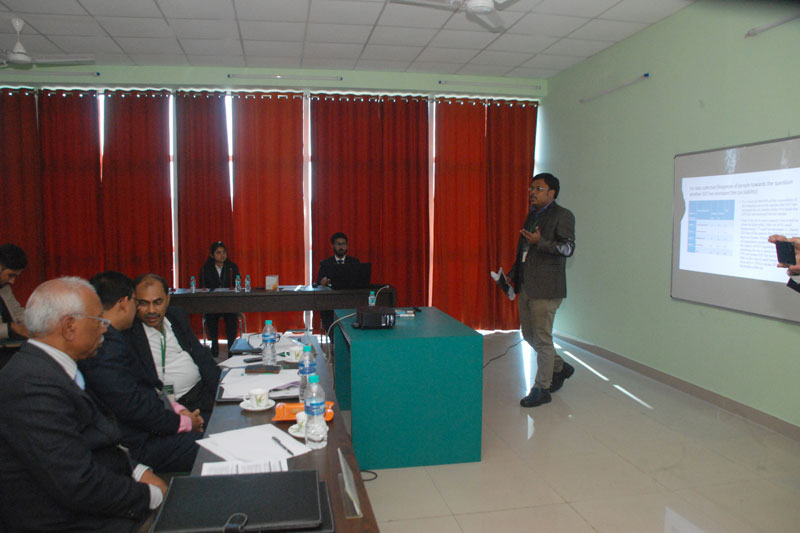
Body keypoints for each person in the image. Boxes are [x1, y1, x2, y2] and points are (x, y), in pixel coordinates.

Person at [0, 277, 166, 532]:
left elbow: (94, 440)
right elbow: (77, 484)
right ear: (69, 327)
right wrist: (151, 495)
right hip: (69, 521)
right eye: (98, 320)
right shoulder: (31, 386)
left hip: (98, 495)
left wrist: (137, 470)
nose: (104, 328)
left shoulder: (53, 367)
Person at [79, 271, 205, 473]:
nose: (142, 309)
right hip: (139, 442)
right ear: (124, 303)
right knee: (214, 446)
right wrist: (183, 422)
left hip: (157, 421)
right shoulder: (106, 346)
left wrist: (178, 411)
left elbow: (143, 389)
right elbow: (134, 405)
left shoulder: (113, 338)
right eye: (138, 302)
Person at [509, 173, 576, 408]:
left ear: (552, 193)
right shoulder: (533, 214)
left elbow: (568, 248)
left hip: (547, 288)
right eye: (531, 188)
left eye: (538, 189)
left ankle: (541, 388)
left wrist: (542, 242)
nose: (532, 192)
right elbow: (525, 250)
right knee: (529, 335)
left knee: (542, 338)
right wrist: (513, 273)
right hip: (527, 284)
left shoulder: (563, 215)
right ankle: (560, 367)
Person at [127, 273, 221, 422]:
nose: (151, 310)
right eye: (143, 303)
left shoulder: (176, 317)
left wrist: (221, 393)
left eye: (157, 302)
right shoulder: (130, 332)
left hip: (202, 394)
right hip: (169, 408)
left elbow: (202, 356)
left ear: (167, 299)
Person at [198, 241, 241, 357]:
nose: (222, 255)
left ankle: (231, 348)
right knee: (211, 316)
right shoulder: (206, 269)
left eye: (224, 252)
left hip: (229, 303)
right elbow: (202, 287)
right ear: (212, 255)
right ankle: (214, 345)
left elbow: (238, 283)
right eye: (218, 252)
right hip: (213, 303)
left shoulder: (232, 267)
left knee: (231, 317)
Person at [316, 232, 360, 333]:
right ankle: (332, 338)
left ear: (347, 246)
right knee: (327, 314)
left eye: (343, 244)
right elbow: (319, 282)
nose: (341, 247)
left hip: (350, 301)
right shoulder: (325, 263)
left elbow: (359, 281)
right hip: (331, 302)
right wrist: (323, 282)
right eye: (338, 244)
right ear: (332, 246)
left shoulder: (355, 262)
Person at [0, 243, 29, 341]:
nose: (12, 281)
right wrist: (11, 328)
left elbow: (17, 312)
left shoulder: (4, 287)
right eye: (11, 275)